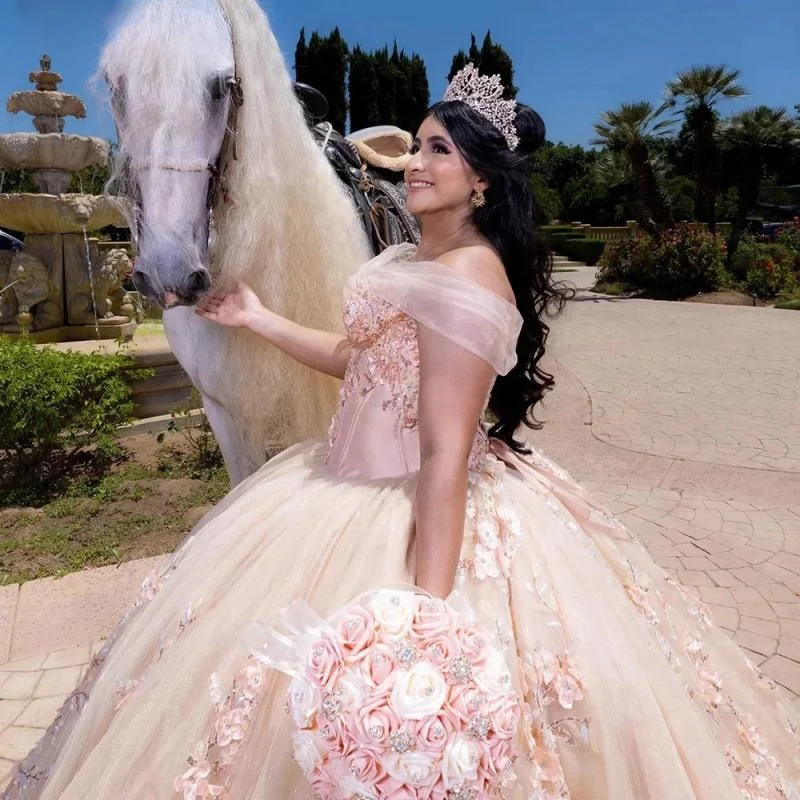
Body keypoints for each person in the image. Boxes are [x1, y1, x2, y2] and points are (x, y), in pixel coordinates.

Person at [4, 65, 798, 800]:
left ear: (481, 179)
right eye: (415, 146)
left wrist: (427, 621)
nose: (414, 162)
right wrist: (257, 317)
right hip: (336, 480)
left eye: (439, 150)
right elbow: (360, 359)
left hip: (412, 506)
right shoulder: (414, 260)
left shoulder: (466, 278)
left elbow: (446, 448)